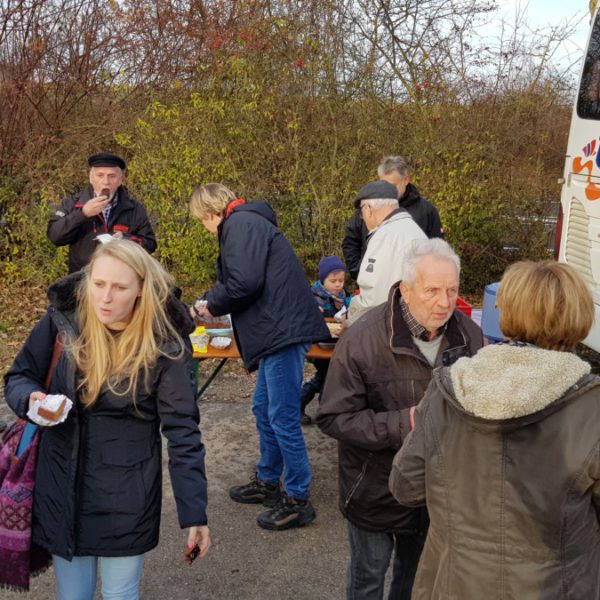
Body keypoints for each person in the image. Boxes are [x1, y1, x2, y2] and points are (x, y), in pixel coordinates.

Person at [4, 239, 211, 599]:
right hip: (61, 489)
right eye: (99, 285)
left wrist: (195, 513)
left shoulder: (165, 345)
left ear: (141, 290)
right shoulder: (62, 320)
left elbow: (182, 431)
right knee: (73, 596)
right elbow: (20, 376)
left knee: (120, 593)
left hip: (126, 498)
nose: (105, 298)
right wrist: (32, 399)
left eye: (119, 287)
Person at [390, 260, 600, 599]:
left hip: (453, 587)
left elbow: (405, 485)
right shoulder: (592, 406)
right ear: (579, 317)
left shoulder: (448, 389)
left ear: (506, 312)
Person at [316, 238, 483, 600]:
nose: (444, 302)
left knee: (416, 583)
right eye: (433, 290)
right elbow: (332, 417)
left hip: (436, 492)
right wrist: (405, 422)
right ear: (406, 291)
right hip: (376, 487)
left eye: (452, 290)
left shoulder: (470, 336)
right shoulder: (361, 339)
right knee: (368, 581)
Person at [189, 183, 329, 531]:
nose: (205, 229)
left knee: (281, 417)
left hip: (282, 332)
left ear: (210, 213)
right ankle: (268, 480)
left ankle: (298, 498)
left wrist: (210, 304)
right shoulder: (246, 223)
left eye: (202, 221)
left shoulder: (240, 225)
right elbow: (248, 282)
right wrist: (215, 300)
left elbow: (243, 283)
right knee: (263, 410)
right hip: (274, 331)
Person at [47, 152, 157, 273]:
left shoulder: (134, 208)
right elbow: (54, 237)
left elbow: (150, 244)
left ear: (121, 180)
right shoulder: (72, 203)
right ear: (91, 178)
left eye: (112, 176)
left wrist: (126, 239)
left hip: (119, 279)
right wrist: (82, 213)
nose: (106, 182)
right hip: (82, 281)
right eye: (100, 175)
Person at [342, 156, 444, 281]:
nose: (387, 190)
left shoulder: (427, 211)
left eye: (392, 185)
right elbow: (350, 240)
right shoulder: (368, 206)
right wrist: (359, 271)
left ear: (406, 180)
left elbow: (437, 251)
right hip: (372, 284)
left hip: (410, 287)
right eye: (383, 184)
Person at [346, 180, 426, 325]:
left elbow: (373, 297)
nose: (363, 218)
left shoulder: (384, 237)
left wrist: (351, 321)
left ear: (368, 208)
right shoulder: (415, 230)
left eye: (362, 213)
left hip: (392, 327)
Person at [300, 255, 351, 425]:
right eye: (333, 281)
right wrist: (316, 312)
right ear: (323, 281)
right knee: (324, 378)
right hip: (319, 346)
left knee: (328, 378)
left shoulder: (344, 295)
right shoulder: (314, 296)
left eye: (341, 280)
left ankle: (322, 410)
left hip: (336, 344)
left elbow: (350, 309)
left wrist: (348, 307)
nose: (338, 284)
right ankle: (319, 411)